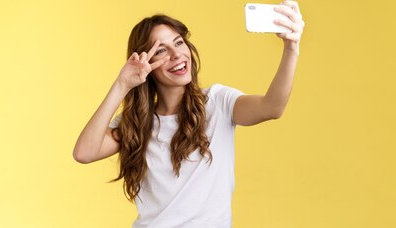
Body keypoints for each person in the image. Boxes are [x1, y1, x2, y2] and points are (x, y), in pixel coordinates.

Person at [73, 1, 304, 227]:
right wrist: (122, 84)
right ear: (147, 62)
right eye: (161, 50)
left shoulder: (217, 102)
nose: (176, 55)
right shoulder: (136, 122)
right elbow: (84, 152)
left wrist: (291, 49)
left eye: (179, 43)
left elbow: (272, 107)